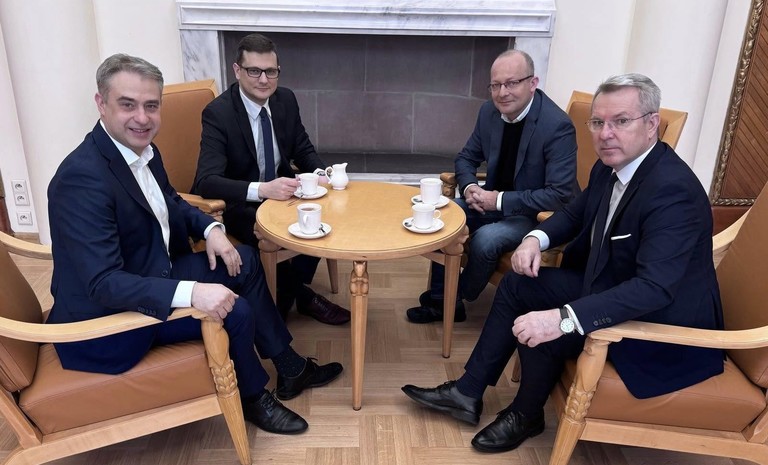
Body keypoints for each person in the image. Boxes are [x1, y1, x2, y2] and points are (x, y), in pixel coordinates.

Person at [401, 73, 724, 453]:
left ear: (652, 124)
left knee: (549, 318)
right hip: (612, 284)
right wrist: (534, 239)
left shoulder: (672, 192)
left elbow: (653, 289)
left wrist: (563, 318)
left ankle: (526, 413)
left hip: (658, 324)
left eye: (621, 121)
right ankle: (467, 393)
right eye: (598, 122)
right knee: (520, 284)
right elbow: (574, 213)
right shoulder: (611, 166)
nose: (605, 134)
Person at [46, 53, 344, 436]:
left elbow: (171, 200)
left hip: (149, 270)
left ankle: (290, 368)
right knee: (235, 311)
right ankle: (253, 397)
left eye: (151, 106)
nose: (142, 118)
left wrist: (211, 230)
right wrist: (193, 292)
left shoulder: (141, 151)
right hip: (105, 324)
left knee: (244, 259)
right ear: (101, 104)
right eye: (128, 105)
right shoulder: (81, 180)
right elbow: (103, 283)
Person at [406, 49, 577, 324]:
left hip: (536, 214)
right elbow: (465, 158)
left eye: (512, 83)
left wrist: (497, 201)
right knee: (443, 214)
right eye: (495, 85)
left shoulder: (557, 126)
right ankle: (441, 301)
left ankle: (455, 297)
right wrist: (471, 187)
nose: (502, 93)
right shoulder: (489, 112)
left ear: (533, 83)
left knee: (487, 239)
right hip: (490, 201)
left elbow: (558, 194)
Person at [194, 33, 350, 326]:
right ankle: (296, 300)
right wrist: (262, 190)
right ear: (237, 70)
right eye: (254, 71)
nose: (264, 80)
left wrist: (322, 175)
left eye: (271, 71)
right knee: (278, 231)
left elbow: (303, 148)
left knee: (323, 215)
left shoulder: (285, 100)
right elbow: (206, 181)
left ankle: (288, 293)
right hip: (239, 202)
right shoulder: (219, 113)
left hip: (284, 193)